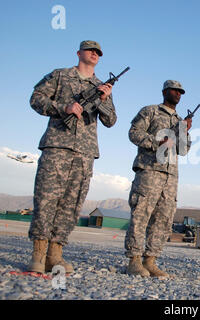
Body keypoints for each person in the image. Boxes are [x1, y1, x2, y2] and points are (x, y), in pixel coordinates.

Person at [27, 40, 116, 274]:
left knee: (72, 203)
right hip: (58, 145)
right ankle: (38, 253)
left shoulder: (102, 87)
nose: (94, 54)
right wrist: (63, 108)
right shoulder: (60, 75)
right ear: (79, 53)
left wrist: (104, 101)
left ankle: (55, 254)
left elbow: (111, 121)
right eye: (90, 50)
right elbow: (36, 98)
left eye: (98, 52)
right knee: (47, 197)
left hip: (85, 152)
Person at [124, 80, 192, 277]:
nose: (178, 94)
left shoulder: (180, 120)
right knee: (141, 215)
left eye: (180, 92)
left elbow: (184, 150)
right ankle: (134, 260)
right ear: (164, 92)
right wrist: (158, 142)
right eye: (174, 90)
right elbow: (134, 133)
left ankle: (150, 260)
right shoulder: (151, 111)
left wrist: (184, 131)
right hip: (149, 171)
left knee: (163, 218)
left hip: (170, 176)